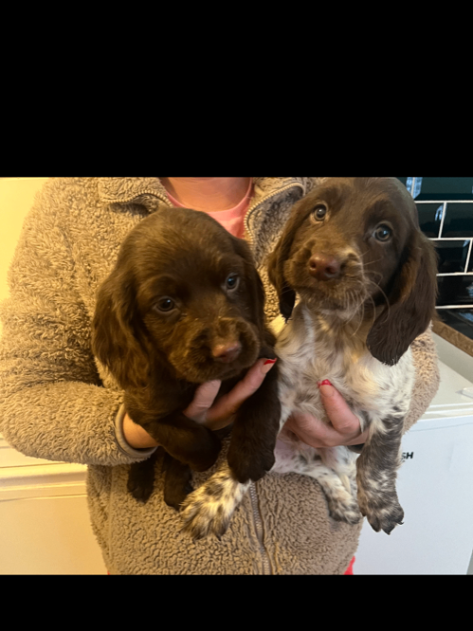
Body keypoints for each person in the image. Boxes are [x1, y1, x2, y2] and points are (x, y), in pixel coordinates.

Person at [0, 177, 440, 575]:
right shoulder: (70, 203)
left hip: (319, 555)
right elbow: (22, 396)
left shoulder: (334, 183)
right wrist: (145, 425)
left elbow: (413, 350)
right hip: (160, 560)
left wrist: (364, 428)